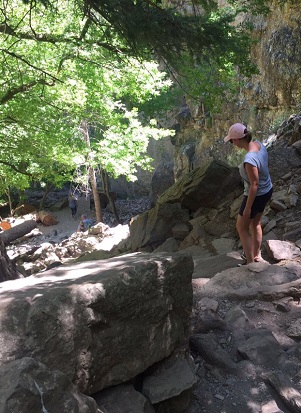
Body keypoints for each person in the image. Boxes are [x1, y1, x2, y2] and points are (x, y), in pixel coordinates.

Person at [224, 123, 273, 264]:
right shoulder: (259, 144)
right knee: (255, 223)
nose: (232, 143)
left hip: (256, 195)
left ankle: (251, 264)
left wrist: (248, 207)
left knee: (242, 227)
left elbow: (254, 185)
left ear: (238, 140)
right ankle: (257, 256)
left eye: (232, 140)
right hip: (267, 189)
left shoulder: (249, 160)